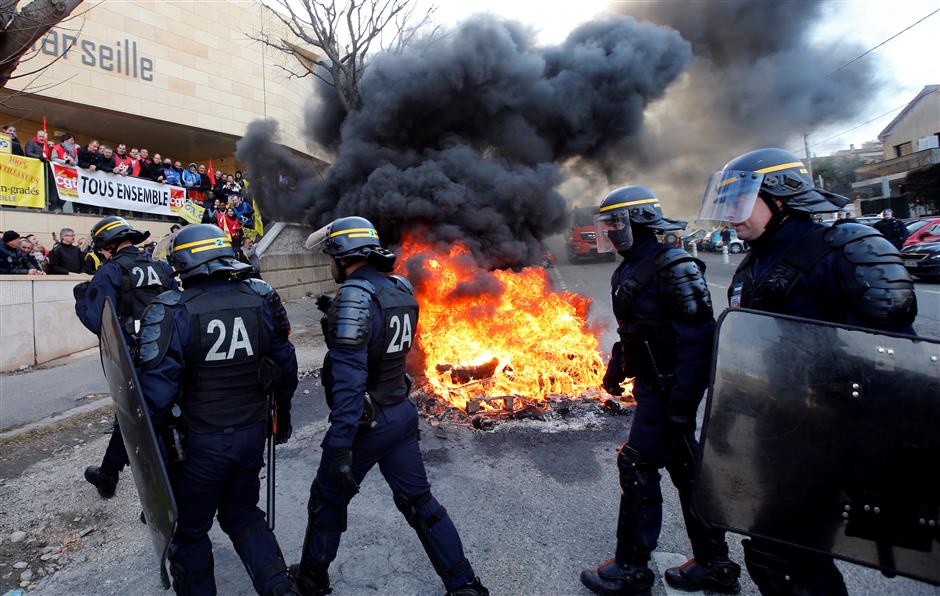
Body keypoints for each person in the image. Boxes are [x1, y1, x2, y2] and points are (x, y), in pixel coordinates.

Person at [695, 147, 917, 595]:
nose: (731, 215)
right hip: (781, 432)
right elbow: (753, 350)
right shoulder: (756, 259)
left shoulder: (848, 250)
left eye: (741, 200)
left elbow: (898, 359)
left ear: (781, 196)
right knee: (788, 555)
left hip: (832, 437)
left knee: (781, 556)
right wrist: (727, 414)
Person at [294, 216, 488, 596]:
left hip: (366, 421)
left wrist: (338, 444)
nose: (329, 264)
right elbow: (385, 335)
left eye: (330, 256)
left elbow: (349, 382)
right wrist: (335, 309)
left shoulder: (354, 296)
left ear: (342, 256)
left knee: (326, 500)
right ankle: (464, 585)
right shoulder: (397, 287)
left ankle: (310, 582)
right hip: (400, 411)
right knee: (420, 504)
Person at [580, 187, 738, 596]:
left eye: (618, 223)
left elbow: (699, 342)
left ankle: (631, 570)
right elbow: (632, 331)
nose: (612, 232)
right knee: (689, 475)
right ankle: (715, 564)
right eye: (608, 225)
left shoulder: (675, 266)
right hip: (650, 386)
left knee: (635, 465)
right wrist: (616, 368)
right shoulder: (628, 268)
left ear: (640, 221)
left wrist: (684, 404)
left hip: (669, 391)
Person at [137, 224, 298, 595]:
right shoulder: (261, 297)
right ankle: (280, 589)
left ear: (184, 261)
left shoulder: (170, 309)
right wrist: (282, 416)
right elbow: (285, 364)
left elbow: (155, 396)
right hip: (252, 431)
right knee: (243, 514)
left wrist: (151, 452)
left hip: (199, 443)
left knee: (190, 532)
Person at [74, 216, 177, 499]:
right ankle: (109, 474)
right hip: (169, 353)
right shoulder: (162, 267)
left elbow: (99, 321)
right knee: (158, 416)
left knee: (137, 418)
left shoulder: (110, 272)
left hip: (136, 359)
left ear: (107, 245)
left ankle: (158, 497)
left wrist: (82, 300)